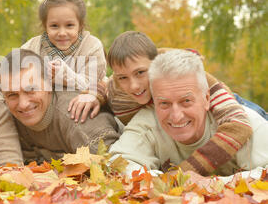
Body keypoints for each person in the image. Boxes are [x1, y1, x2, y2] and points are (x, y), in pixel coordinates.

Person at [82, 31, 256, 176]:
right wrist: (93, 94)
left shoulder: (195, 81)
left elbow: (239, 125)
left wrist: (186, 173)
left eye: (141, 73)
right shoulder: (117, 86)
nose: (134, 85)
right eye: (123, 78)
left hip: (232, 105)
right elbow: (107, 83)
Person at [108, 49, 268, 178]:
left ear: (206, 98)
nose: (176, 116)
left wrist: (217, 184)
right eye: (164, 103)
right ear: (154, 102)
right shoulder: (147, 120)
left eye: (186, 102)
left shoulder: (245, 121)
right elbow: (118, 162)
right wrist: (168, 181)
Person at [0, 0, 107, 115]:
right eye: (54, 26)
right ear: (45, 26)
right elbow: (10, 75)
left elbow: (91, 85)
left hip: (77, 110)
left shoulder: (92, 46)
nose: (62, 33)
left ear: (80, 25)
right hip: (40, 109)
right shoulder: (34, 45)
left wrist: (64, 75)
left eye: (69, 25)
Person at [0, 48, 122, 164]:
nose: (23, 104)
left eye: (31, 90)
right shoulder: (8, 120)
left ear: (49, 84)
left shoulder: (77, 116)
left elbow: (116, 166)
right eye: (12, 94)